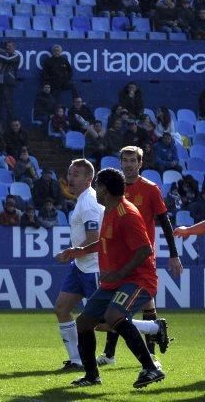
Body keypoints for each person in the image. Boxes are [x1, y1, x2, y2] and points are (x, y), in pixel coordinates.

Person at [56, 168, 167, 389]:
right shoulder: (109, 209)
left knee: (114, 315)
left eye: (97, 185)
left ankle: (151, 368)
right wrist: (80, 250)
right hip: (114, 281)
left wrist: (120, 273)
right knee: (84, 322)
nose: (95, 189)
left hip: (138, 280)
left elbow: (145, 250)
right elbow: (104, 242)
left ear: (104, 189)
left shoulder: (127, 214)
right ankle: (91, 376)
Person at [98, 146, 183, 367]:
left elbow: (164, 222)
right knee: (118, 304)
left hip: (141, 256)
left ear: (140, 163)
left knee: (135, 305)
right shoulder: (113, 189)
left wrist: (174, 255)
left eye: (132, 160)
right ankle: (110, 354)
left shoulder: (150, 189)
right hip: (118, 255)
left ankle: (150, 355)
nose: (128, 164)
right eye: (124, 160)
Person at [52, 160, 104, 370]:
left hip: (93, 268)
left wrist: (73, 251)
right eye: (70, 174)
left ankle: (152, 327)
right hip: (80, 265)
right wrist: (74, 254)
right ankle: (77, 360)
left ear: (88, 179)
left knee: (103, 322)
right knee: (62, 308)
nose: (70, 178)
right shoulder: (83, 200)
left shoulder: (89, 202)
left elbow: (94, 237)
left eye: (76, 175)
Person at [0, 41, 19, 123]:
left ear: (14, 47)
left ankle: (11, 124)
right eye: (7, 46)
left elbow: (8, 60)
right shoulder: (3, 55)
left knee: (8, 105)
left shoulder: (16, 55)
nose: (8, 47)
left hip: (8, 83)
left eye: (10, 46)